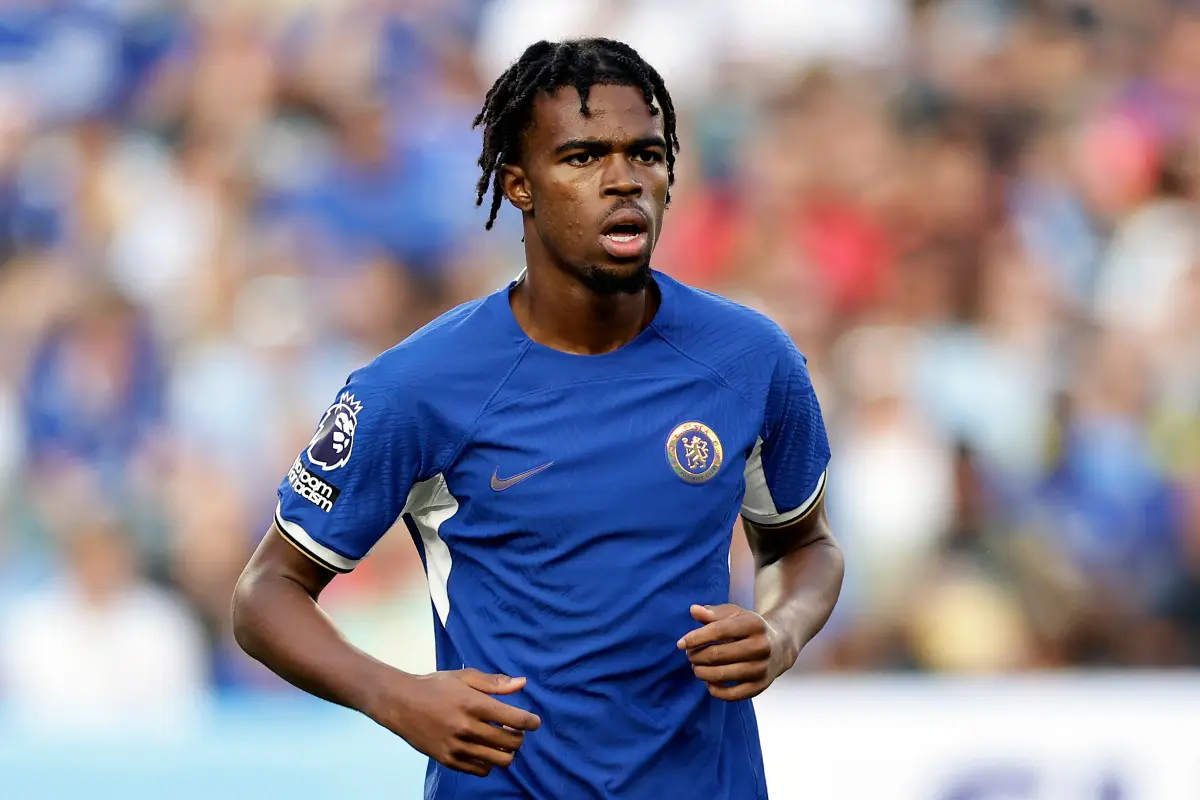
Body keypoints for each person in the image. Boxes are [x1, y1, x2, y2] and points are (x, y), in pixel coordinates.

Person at [232, 37, 844, 800]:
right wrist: (396, 696)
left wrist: (780, 632)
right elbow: (265, 594)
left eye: (646, 154)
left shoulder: (750, 359)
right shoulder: (417, 386)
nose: (623, 179)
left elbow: (804, 545)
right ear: (519, 185)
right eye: (583, 157)